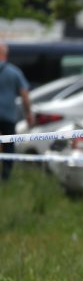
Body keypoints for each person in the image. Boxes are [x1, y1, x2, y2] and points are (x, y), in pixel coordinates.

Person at [0, 39, 34, 181]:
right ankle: (6, 178)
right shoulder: (14, 72)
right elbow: (25, 96)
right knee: (8, 147)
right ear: (6, 54)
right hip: (8, 117)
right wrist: (28, 114)